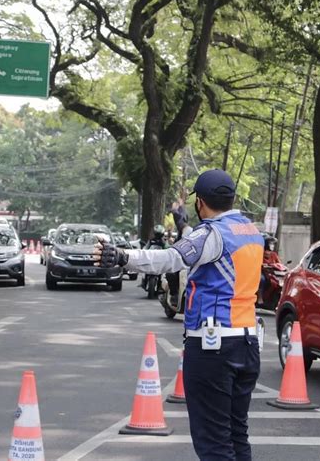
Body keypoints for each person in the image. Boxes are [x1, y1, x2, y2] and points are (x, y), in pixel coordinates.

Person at [94, 169, 264, 461]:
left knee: (214, 441)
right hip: (247, 343)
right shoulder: (250, 231)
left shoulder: (211, 233)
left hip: (214, 348)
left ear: (201, 203)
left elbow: (172, 258)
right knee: (237, 434)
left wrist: (124, 257)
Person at [257, 235, 281, 306]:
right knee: (262, 279)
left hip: (272, 273)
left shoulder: (274, 254)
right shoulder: (259, 253)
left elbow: (279, 263)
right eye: (270, 243)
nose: (272, 245)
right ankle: (260, 298)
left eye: (272, 244)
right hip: (262, 272)